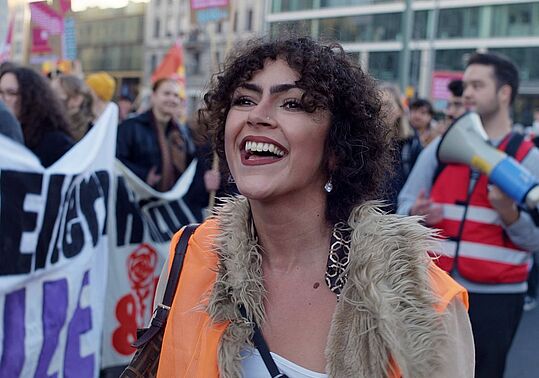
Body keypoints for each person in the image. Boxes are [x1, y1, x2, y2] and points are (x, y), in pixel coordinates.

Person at [147, 37, 474, 377]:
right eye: (244, 99)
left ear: (337, 146)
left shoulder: (421, 304)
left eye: (291, 104)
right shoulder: (191, 254)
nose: (257, 116)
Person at [398, 52, 539, 378]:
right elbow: (403, 204)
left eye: (478, 84)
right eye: (466, 85)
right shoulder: (439, 150)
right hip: (437, 288)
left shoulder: (529, 158)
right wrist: (415, 213)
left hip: (498, 297)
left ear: (505, 92)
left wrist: (509, 214)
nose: (467, 93)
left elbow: (534, 242)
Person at [0, 66, 74, 167]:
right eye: (0, 92)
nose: (2, 99)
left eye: (11, 93)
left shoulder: (56, 142)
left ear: (30, 97)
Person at [379, 85, 422, 213]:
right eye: (377, 103)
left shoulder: (410, 144)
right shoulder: (364, 142)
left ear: (400, 110)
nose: (380, 110)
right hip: (369, 218)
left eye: (386, 105)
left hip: (399, 219)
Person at [51, 73, 94, 141]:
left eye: (56, 92)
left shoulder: (92, 132)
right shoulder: (50, 125)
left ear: (77, 99)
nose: (50, 97)